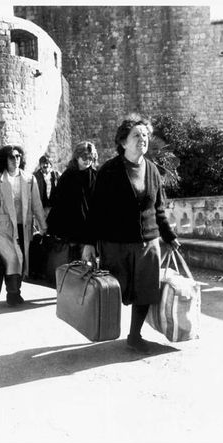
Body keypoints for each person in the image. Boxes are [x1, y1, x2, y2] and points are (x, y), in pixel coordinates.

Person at [81, 114, 181, 352]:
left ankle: (134, 336)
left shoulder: (154, 171)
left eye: (145, 135)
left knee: (145, 291)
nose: (142, 139)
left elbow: (159, 209)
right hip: (115, 244)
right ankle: (103, 329)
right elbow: (95, 210)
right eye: (137, 135)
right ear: (123, 142)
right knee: (115, 291)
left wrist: (168, 236)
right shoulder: (109, 171)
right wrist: (89, 243)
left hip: (148, 242)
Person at [0, 144, 47, 306]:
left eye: (18, 156)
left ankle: (16, 291)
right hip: (3, 228)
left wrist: (42, 226)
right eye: (11, 157)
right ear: (5, 159)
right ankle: (12, 293)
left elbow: (37, 205)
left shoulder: (29, 179)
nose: (15, 160)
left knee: (21, 260)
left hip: (24, 227)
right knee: (12, 259)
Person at [46, 140, 98, 260]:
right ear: (77, 156)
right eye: (84, 156)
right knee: (72, 268)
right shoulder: (67, 176)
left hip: (89, 231)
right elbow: (58, 203)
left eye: (91, 157)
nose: (88, 160)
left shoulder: (96, 176)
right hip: (70, 232)